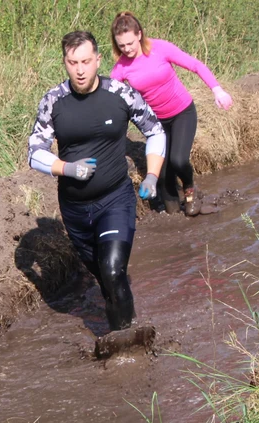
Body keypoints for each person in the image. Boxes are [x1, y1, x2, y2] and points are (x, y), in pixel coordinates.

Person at [28, 30, 166, 333]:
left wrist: (153, 175)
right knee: (105, 280)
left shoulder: (121, 93)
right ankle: (118, 323)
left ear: (98, 60)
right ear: (65, 62)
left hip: (114, 199)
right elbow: (34, 152)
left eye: (86, 61)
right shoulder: (53, 101)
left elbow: (155, 131)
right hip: (75, 210)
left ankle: (128, 341)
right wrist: (66, 168)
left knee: (114, 270)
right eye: (72, 62)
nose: (79, 70)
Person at [110, 11, 233, 216]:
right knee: (164, 174)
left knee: (178, 160)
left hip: (182, 112)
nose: (127, 49)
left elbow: (195, 65)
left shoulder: (160, 48)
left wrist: (217, 89)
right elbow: (112, 99)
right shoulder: (121, 68)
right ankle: (174, 214)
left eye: (130, 43)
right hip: (157, 124)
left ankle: (190, 188)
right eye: (122, 46)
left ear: (139, 34)